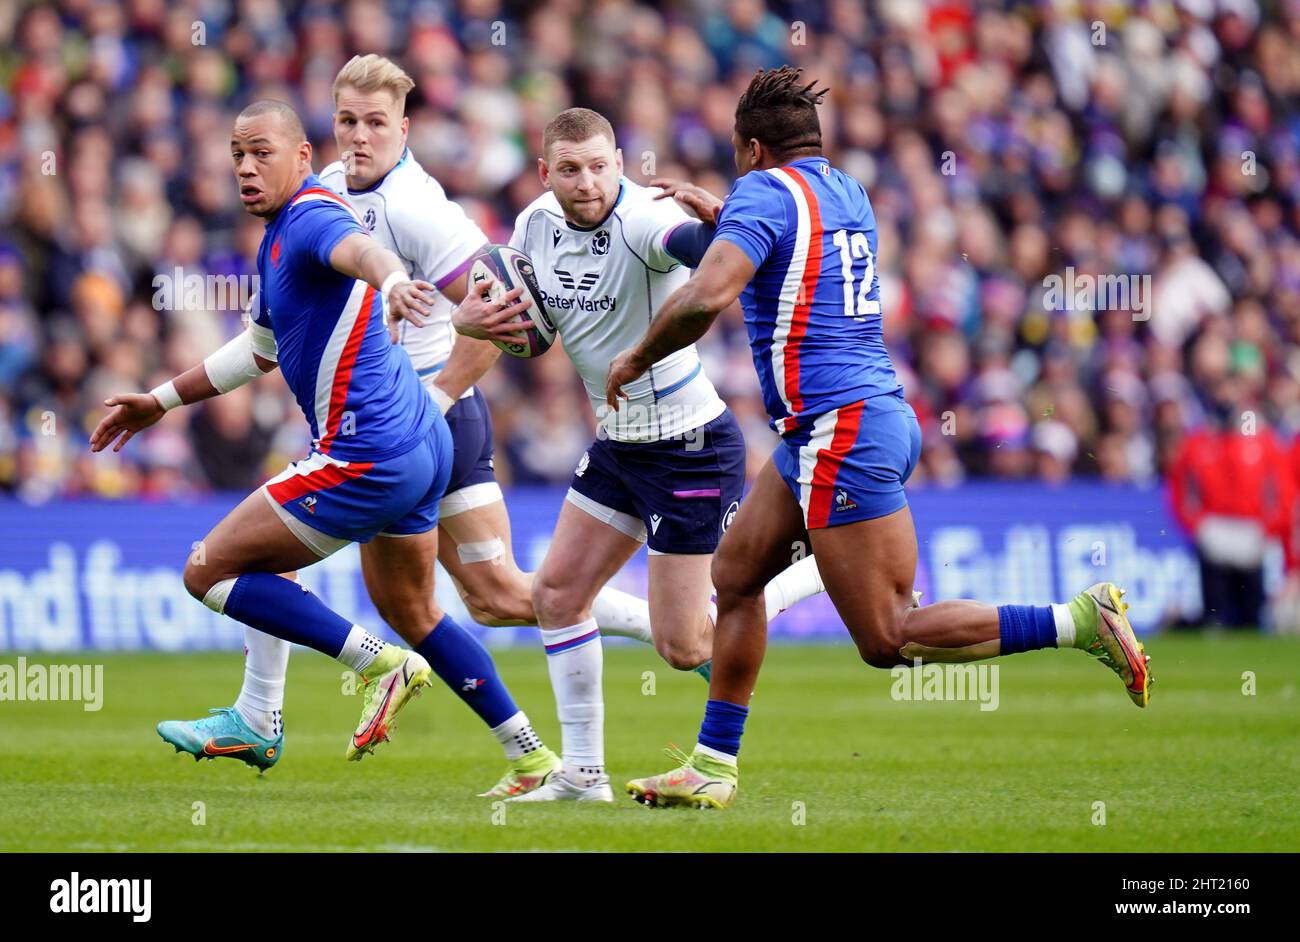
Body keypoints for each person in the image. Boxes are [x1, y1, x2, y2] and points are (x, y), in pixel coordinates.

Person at [604, 68, 1153, 809]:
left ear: (753, 148)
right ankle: (712, 763)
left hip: (843, 427)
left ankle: (1079, 621)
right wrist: (728, 216)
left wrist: (636, 356)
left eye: (740, 155)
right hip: (841, 423)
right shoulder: (846, 190)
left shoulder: (763, 193)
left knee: (887, 637)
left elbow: (710, 292)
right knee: (735, 578)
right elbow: (778, 246)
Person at [190, 55, 660, 797]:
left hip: (431, 417)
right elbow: (273, 336)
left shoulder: (417, 206)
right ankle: (548, 738)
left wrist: (436, 397)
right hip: (379, 419)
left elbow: (503, 308)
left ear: (403, 129)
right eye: (347, 120)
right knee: (483, 600)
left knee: (469, 593)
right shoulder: (327, 192)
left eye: (376, 123)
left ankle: (263, 715)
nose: (359, 137)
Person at [91, 100, 550, 780]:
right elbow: (258, 351)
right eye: (237, 155)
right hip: (424, 444)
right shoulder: (280, 234)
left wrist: (391, 278)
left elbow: (362, 250)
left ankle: (375, 666)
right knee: (414, 608)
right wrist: (159, 401)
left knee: (206, 570)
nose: (246, 167)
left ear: (303, 157)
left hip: (368, 456)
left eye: (262, 152)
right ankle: (530, 756)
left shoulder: (311, 215)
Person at [455, 107, 827, 802]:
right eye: (569, 169)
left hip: (688, 447)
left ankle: (805, 578)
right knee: (557, 596)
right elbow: (512, 313)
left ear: (620, 163)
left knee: (684, 648)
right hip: (618, 445)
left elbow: (696, 249)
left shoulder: (646, 223)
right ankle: (583, 776)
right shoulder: (534, 225)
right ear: (545, 173)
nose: (587, 182)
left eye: (599, 165)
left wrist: (719, 227)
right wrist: (471, 319)